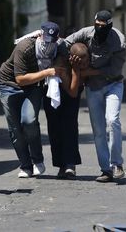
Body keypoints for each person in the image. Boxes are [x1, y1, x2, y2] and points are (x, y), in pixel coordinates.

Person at [65, 10, 126, 183]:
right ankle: (106, 170)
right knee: (98, 130)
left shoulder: (119, 41)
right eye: (97, 25)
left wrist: (86, 71)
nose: (99, 28)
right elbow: (66, 42)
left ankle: (117, 164)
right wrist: (73, 60)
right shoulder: (86, 33)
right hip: (93, 87)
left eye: (103, 26)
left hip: (113, 84)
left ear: (110, 26)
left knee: (112, 120)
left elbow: (113, 70)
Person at [0, 22, 63, 178]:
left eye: (51, 40)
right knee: (15, 129)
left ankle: (37, 160)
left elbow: (68, 47)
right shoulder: (24, 47)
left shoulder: (58, 46)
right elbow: (20, 79)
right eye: (45, 38)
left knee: (28, 121)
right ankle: (26, 166)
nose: (47, 44)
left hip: (33, 85)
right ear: (40, 34)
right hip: (9, 85)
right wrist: (47, 72)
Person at [43, 42, 89, 179]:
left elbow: (86, 75)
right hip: (55, 92)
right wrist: (76, 69)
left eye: (86, 61)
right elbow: (72, 92)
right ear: (72, 58)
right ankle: (61, 165)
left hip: (71, 92)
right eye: (81, 63)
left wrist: (84, 70)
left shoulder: (85, 58)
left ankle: (70, 164)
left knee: (70, 127)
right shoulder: (61, 64)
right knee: (55, 128)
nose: (85, 64)